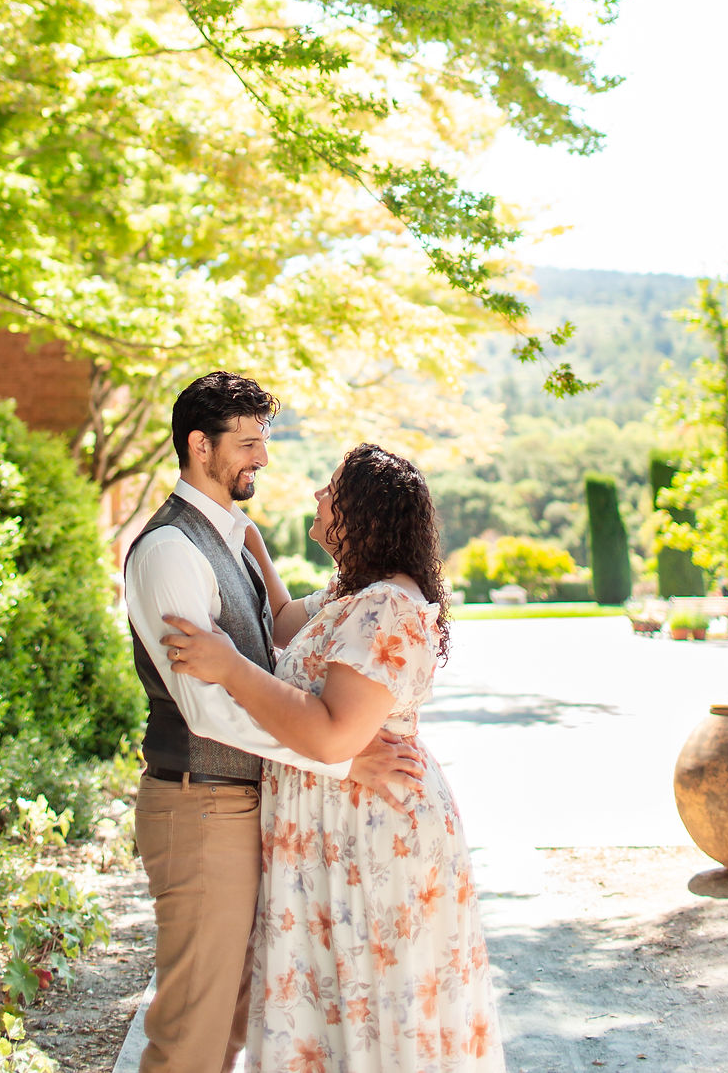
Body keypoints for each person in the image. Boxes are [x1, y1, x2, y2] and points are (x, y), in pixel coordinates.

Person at [162, 442, 507, 1073]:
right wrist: (249, 541)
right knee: (337, 1005)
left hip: (370, 835)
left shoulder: (387, 607)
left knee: (371, 1002)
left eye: (331, 491)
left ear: (365, 514)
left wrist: (227, 666)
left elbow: (329, 737)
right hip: (336, 828)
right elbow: (289, 623)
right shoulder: (358, 596)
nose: (318, 498)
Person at [124, 375, 421, 1073]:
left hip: (241, 807)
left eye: (265, 441)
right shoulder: (170, 550)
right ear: (200, 446)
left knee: (230, 1020)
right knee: (192, 1031)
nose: (263, 459)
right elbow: (208, 708)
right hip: (199, 805)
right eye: (248, 443)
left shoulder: (232, 540)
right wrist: (344, 761)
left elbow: (293, 629)